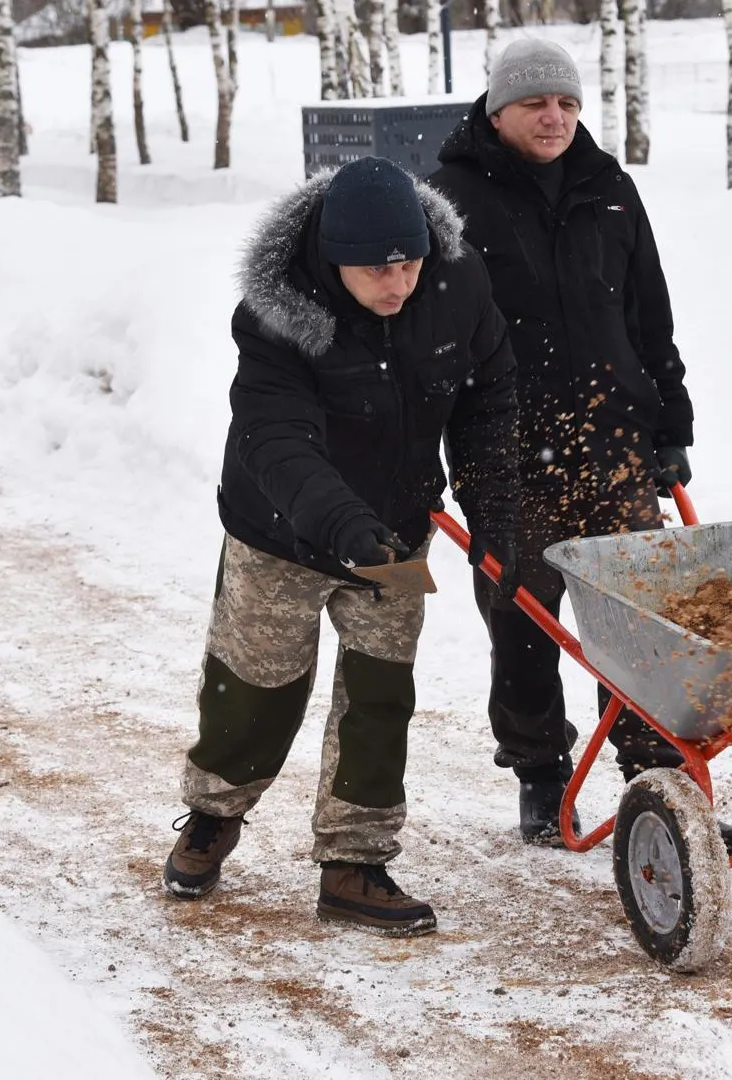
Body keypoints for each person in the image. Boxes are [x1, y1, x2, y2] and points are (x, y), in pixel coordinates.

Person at [162, 157, 520, 938]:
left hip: (395, 527)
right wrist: (344, 525)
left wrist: (494, 512)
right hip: (283, 530)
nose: (397, 282)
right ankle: (213, 812)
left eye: (409, 260)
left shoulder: (457, 286)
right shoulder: (277, 312)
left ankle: (355, 863)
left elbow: (488, 399)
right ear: (332, 260)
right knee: (257, 686)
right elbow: (278, 439)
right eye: (374, 268)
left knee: (380, 693)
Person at [429, 39, 732, 851]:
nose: (555, 116)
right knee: (524, 621)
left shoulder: (610, 190)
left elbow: (650, 318)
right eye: (536, 103)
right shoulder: (450, 199)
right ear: (497, 110)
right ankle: (540, 775)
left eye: (567, 103)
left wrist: (670, 425)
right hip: (508, 457)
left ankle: (658, 779)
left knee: (645, 623)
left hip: (613, 447)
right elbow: (432, 338)